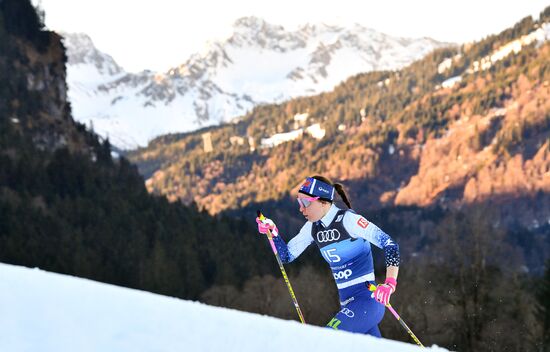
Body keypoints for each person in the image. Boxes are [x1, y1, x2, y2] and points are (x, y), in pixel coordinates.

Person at [256, 175, 400, 337]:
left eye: (305, 203)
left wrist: (389, 284)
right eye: (299, 201)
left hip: (366, 301)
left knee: (327, 339)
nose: (301, 208)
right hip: (348, 306)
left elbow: (390, 245)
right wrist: (273, 233)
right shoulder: (312, 227)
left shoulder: (349, 220)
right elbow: (286, 256)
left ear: (323, 202)